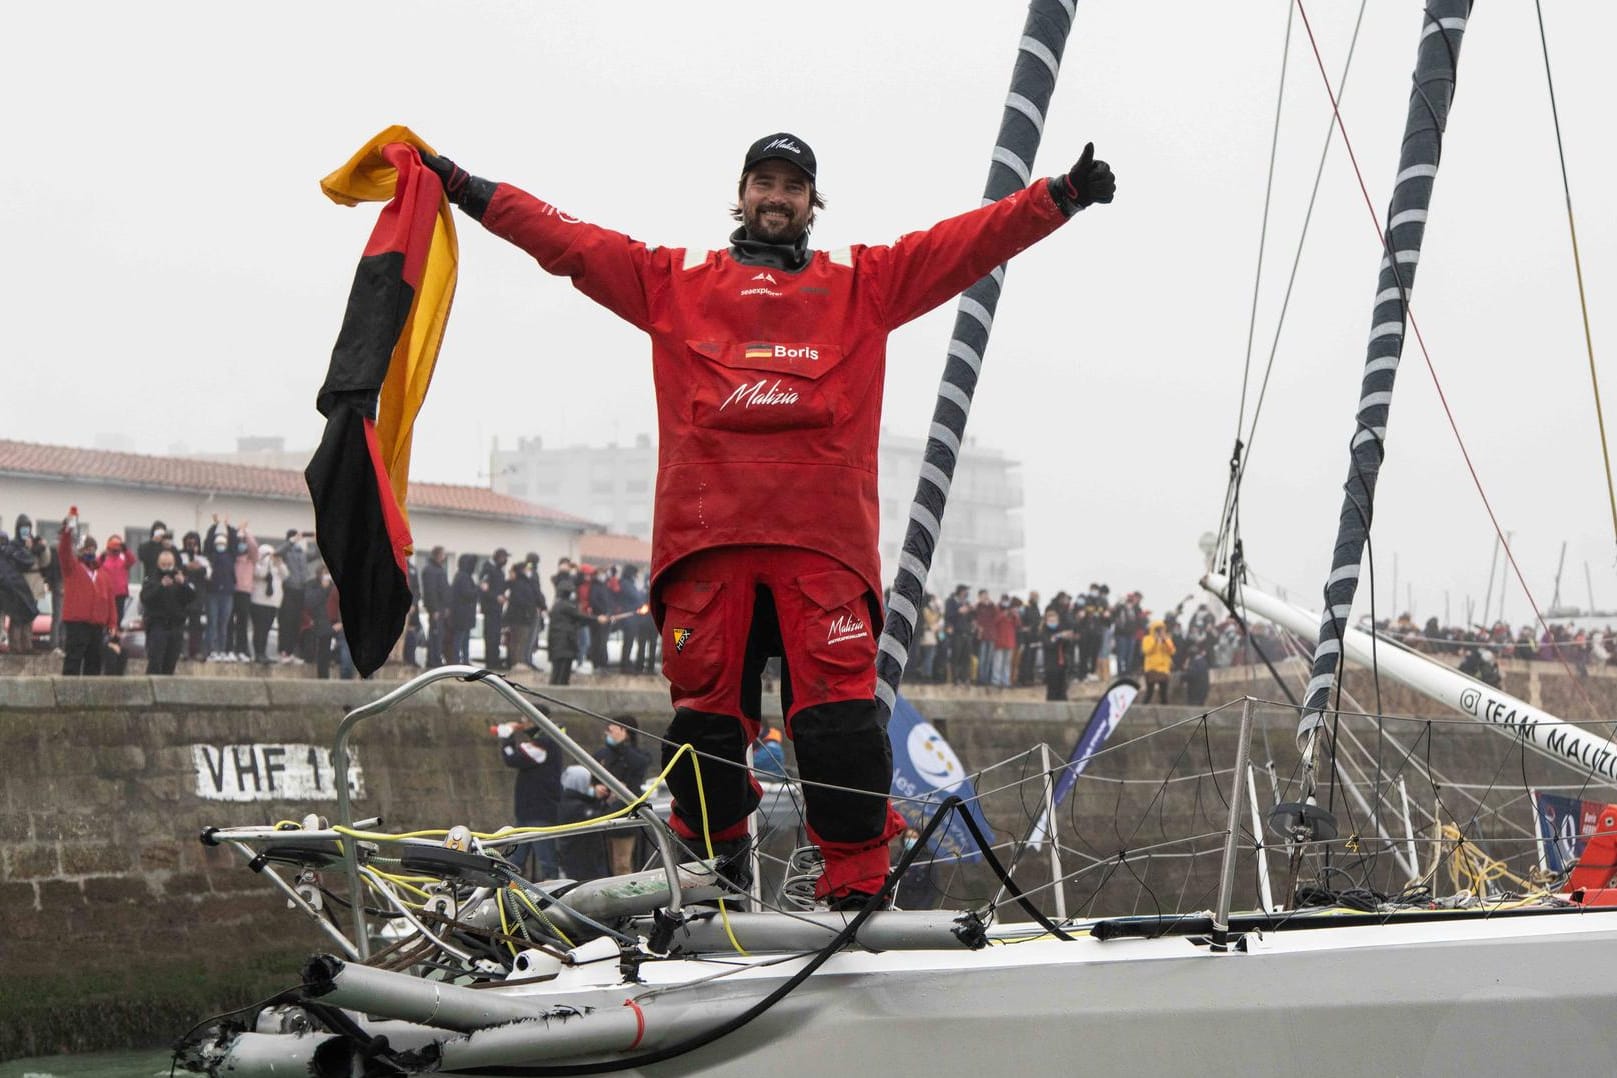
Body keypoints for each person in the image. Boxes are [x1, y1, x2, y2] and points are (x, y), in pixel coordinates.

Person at [424, 129, 1114, 907]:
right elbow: (567, 242)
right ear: (741, 193)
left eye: (792, 186)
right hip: (705, 552)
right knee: (702, 729)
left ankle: (856, 884)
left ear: (812, 202)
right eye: (763, 182)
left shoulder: (865, 283)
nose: (776, 197)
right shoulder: (672, 281)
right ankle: (716, 869)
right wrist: (462, 184)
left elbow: (964, 244)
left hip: (822, 554)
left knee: (839, 726)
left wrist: (1055, 197)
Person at [498, 720, 562, 880]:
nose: (523, 723)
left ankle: (554, 894)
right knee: (515, 861)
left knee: (546, 860)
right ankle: (512, 894)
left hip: (539, 812)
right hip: (526, 812)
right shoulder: (540, 742)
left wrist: (507, 739)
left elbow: (512, 758)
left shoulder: (544, 744)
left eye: (526, 719)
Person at [57, 516, 118, 676]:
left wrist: (112, 623)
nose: (90, 552)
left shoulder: (102, 574)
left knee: (94, 661)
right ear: (79, 550)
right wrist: (67, 531)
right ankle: (68, 695)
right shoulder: (72, 568)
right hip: (77, 622)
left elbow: (110, 600)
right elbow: (63, 551)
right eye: (86, 549)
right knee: (73, 659)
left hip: (97, 625)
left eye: (92, 549)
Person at [594, 715, 651, 877]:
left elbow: (639, 767)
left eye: (612, 730)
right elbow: (592, 778)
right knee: (607, 864)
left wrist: (622, 744)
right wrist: (596, 788)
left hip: (625, 816)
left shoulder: (638, 754)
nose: (608, 734)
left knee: (622, 863)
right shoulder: (603, 754)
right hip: (604, 813)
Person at [140, 548, 196, 675]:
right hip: (158, 625)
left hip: (176, 625)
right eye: (163, 565)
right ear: (158, 564)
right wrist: (161, 586)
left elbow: (191, 597)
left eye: (169, 564)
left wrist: (183, 584)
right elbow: (145, 598)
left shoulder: (179, 577)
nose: (166, 567)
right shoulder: (152, 578)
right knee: (155, 661)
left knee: (170, 662)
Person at [546, 582, 605, 685]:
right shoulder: (566, 606)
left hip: (561, 644)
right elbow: (580, 616)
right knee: (561, 674)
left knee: (559, 673)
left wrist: (595, 620)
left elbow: (577, 621)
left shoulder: (558, 605)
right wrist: (597, 619)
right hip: (564, 643)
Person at [277, 529, 314, 663]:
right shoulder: (286, 551)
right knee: (286, 621)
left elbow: (316, 554)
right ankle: (283, 652)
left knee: (296, 623)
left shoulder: (302, 553)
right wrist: (290, 542)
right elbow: (278, 552)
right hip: (289, 589)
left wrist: (315, 540)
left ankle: (291, 652)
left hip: (301, 590)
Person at [249, 545, 286, 664]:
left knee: (266, 629)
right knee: (258, 629)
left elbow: (286, 575)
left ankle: (263, 653)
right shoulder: (257, 564)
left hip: (273, 603)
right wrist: (266, 562)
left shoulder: (276, 566)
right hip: (258, 602)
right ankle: (258, 653)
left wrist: (279, 563)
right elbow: (261, 574)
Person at [505, 558, 544, 670]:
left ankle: (520, 662)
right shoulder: (522, 584)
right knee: (520, 641)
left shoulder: (522, 583)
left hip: (523, 617)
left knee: (521, 640)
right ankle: (518, 663)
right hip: (522, 617)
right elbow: (522, 601)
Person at [479, 548, 511, 669]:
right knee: (491, 636)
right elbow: (484, 589)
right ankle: (491, 661)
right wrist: (496, 597)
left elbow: (500, 586)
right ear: (498, 557)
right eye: (504, 558)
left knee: (496, 636)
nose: (505, 560)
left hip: (498, 609)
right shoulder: (488, 569)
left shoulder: (499, 571)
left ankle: (495, 659)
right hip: (490, 608)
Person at [421, 546, 451, 668]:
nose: (444, 557)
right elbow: (430, 591)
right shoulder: (430, 570)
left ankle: (436, 658)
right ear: (438, 555)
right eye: (443, 554)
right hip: (436, 608)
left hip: (441, 607)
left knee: (439, 635)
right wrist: (434, 609)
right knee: (435, 634)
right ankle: (433, 660)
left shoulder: (439, 569)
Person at [450, 553, 479, 665]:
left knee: (465, 639)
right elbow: (468, 594)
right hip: (461, 615)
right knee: (459, 639)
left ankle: (465, 660)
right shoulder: (462, 577)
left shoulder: (464, 576)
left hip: (465, 615)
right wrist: (478, 589)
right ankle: (456, 661)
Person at [1140, 619, 1175, 704]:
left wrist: (1165, 641)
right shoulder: (1147, 639)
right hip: (1151, 669)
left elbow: (1172, 651)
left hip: (1163, 670)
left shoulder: (1167, 639)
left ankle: (1165, 712)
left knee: (1163, 693)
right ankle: (1143, 708)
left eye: (1161, 630)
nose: (1160, 632)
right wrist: (1155, 641)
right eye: (1158, 630)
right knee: (1149, 692)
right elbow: (1146, 651)